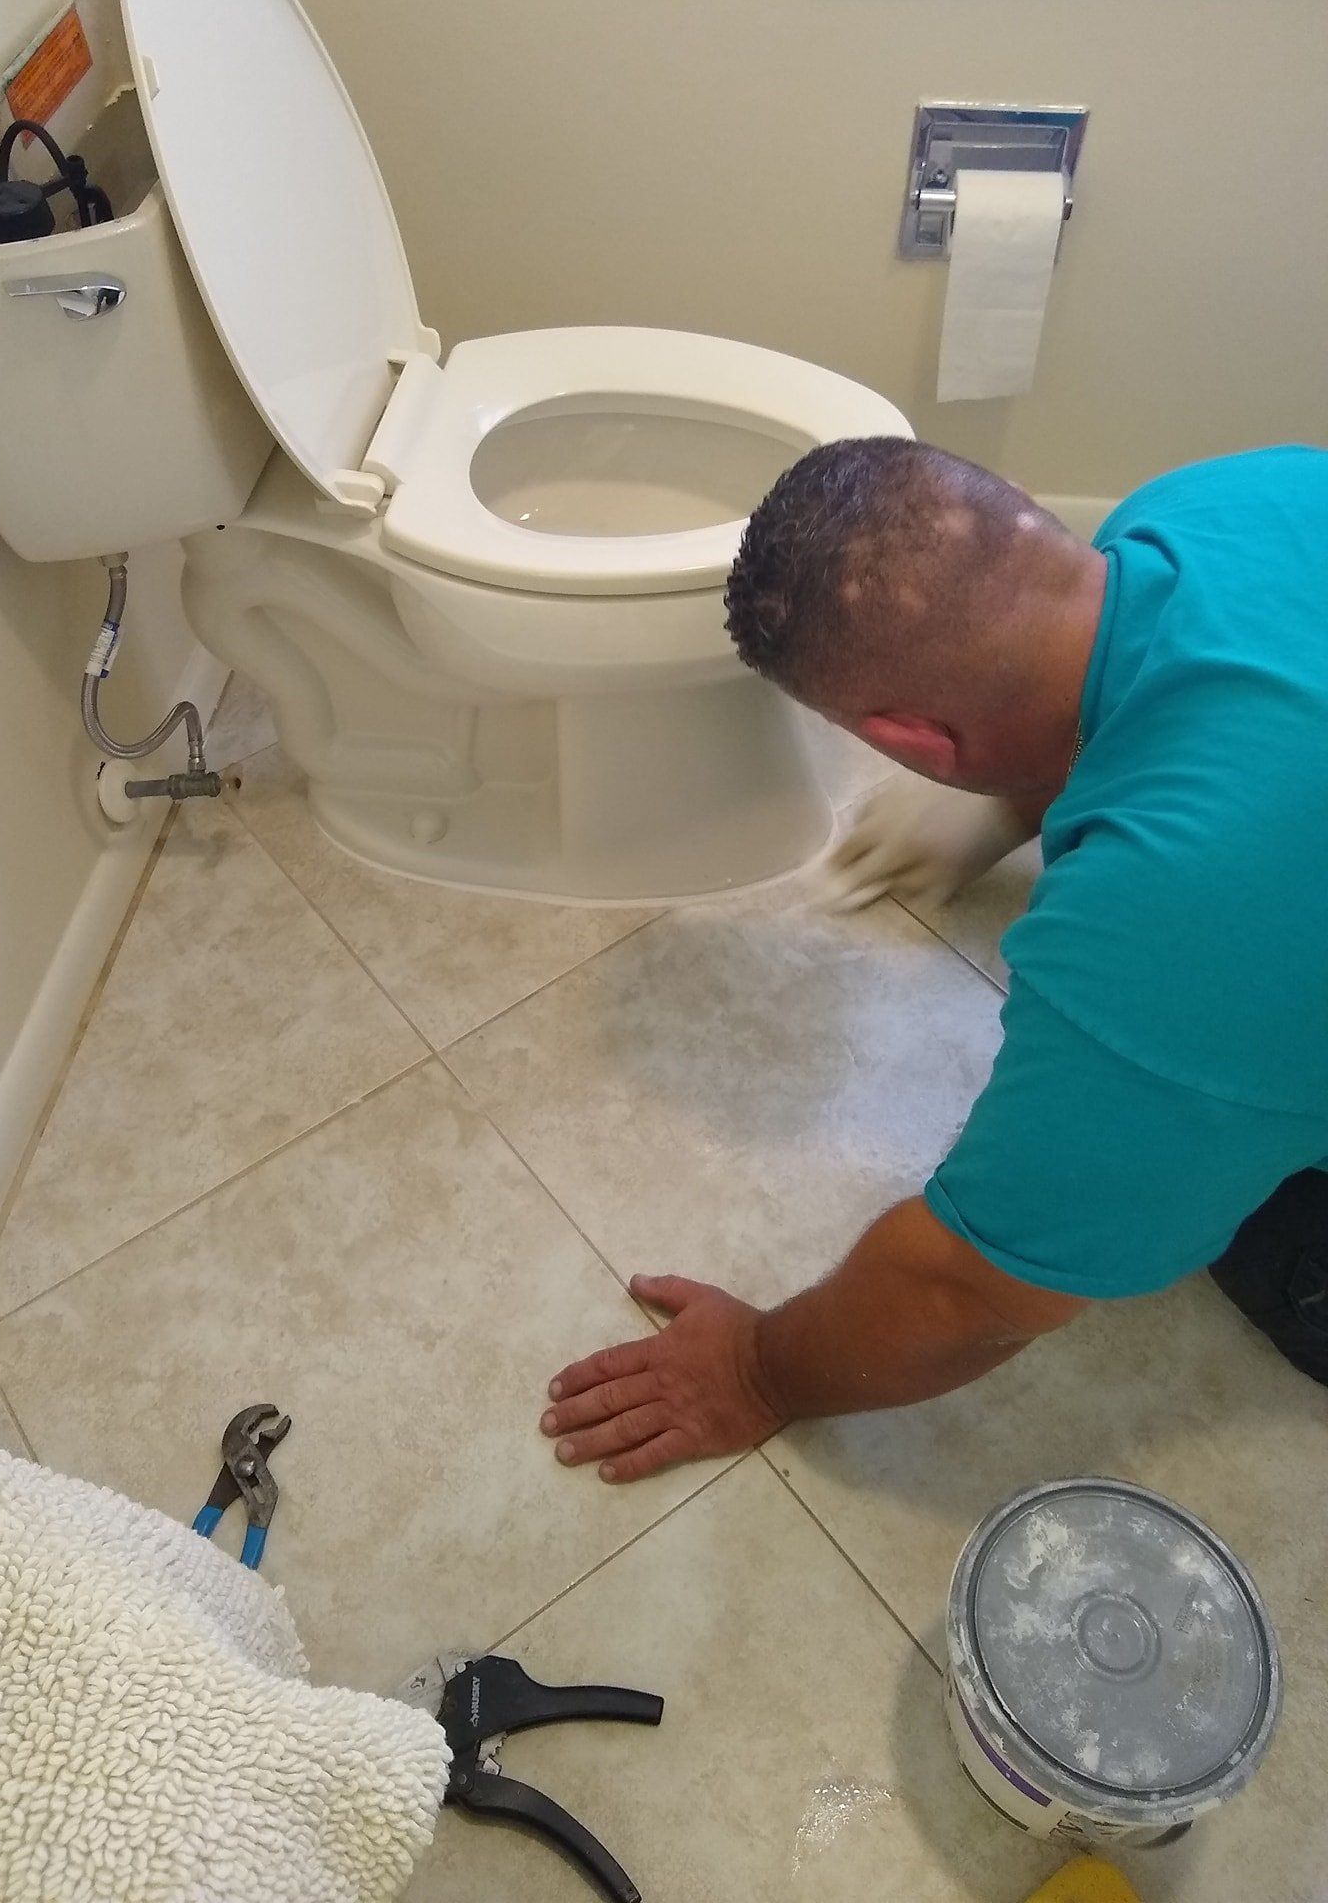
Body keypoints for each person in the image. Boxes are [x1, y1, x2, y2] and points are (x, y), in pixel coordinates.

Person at [541, 439, 1328, 1484]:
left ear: (913, 736)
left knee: (1235, 1215)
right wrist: (1012, 803)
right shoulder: (1225, 496)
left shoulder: (1175, 929)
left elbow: (969, 1294)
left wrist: (757, 1369)